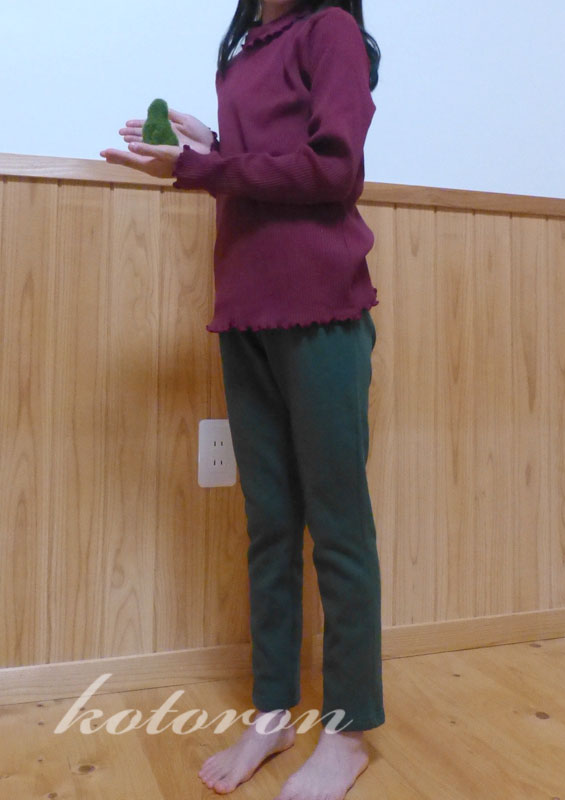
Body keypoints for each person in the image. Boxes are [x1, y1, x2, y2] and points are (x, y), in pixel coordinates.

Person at [100, 1, 383, 798]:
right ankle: (274, 712)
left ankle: (348, 733)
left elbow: (334, 168)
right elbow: (266, 167)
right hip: (246, 310)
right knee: (269, 525)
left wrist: (203, 168)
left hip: (322, 309)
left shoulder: (329, 28)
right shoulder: (249, 43)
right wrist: (213, 147)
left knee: (338, 527)